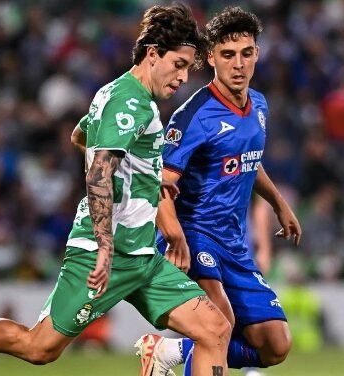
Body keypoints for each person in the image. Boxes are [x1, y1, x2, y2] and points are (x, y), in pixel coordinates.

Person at [0, 5, 232, 376]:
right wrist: (105, 244)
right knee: (39, 348)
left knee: (215, 329)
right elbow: (99, 175)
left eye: (189, 68)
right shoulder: (129, 102)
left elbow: (81, 137)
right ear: (153, 54)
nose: (184, 77)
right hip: (102, 252)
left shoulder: (119, 94)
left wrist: (147, 176)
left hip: (142, 255)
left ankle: (158, 359)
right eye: (179, 64)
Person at [135, 7, 301, 376]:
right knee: (218, 324)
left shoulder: (258, 105)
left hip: (233, 243)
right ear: (210, 57)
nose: (238, 64)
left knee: (276, 345)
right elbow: (160, 182)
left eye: (246, 53)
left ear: (257, 53)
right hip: (195, 235)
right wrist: (174, 235)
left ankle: (169, 351)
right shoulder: (193, 116)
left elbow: (247, 160)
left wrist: (278, 202)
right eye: (227, 54)